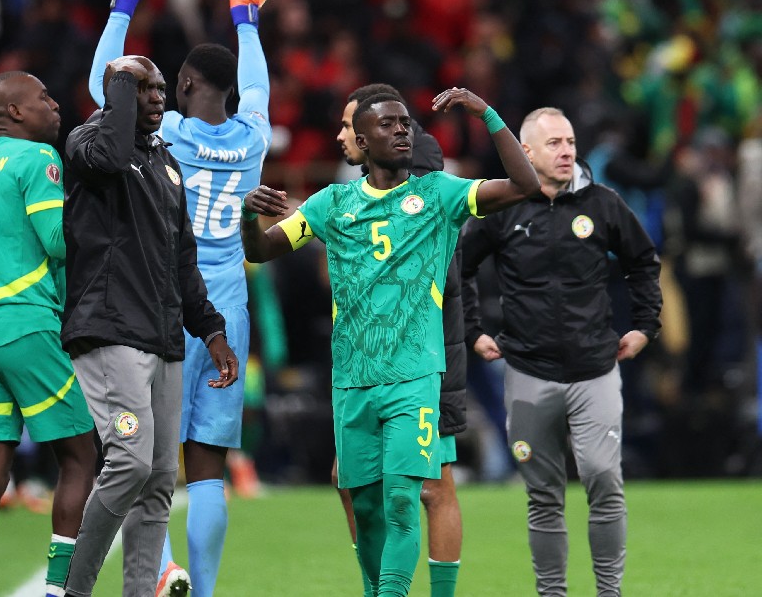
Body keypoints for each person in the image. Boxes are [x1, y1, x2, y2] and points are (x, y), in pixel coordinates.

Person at [240, 88, 539, 597]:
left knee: (404, 501)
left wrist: (486, 113)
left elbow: (524, 184)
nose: (402, 130)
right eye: (388, 124)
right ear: (361, 139)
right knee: (365, 506)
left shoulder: (440, 194)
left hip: (413, 378)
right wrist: (249, 215)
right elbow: (263, 250)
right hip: (352, 380)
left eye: (405, 123)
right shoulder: (332, 204)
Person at [85, 0, 274, 595]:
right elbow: (255, 87)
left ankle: (163, 565)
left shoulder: (168, 136)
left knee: (147, 453)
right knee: (209, 464)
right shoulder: (254, 139)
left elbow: (104, 86)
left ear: (185, 82)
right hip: (227, 303)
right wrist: (246, 16)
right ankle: (208, 586)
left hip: (164, 301)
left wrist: (123, 4)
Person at [460, 107, 662, 597]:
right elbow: (458, 266)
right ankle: (552, 593)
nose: (567, 150)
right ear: (525, 152)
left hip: (595, 369)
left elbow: (643, 261)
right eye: (554, 143)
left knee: (601, 478)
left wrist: (645, 326)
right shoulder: (503, 208)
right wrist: (472, 329)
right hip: (528, 372)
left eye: (570, 141)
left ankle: (609, 592)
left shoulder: (603, 203)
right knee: (543, 495)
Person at [61, 54, 239, 597]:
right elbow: (112, 155)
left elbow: (181, 256)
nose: (159, 97)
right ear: (117, 95)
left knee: (160, 480)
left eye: (161, 88)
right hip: (111, 330)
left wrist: (211, 329)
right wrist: (118, 81)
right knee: (130, 463)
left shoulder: (165, 162)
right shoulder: (88, 144)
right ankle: (72, 589)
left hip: (163, 339)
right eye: (143, 89)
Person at [0, 72, 97, 597]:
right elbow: (59, 241)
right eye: (44, 98)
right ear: (14, 111)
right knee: (82, 455)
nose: (55, 105)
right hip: (24, 322)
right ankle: (61, 587)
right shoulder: (38, 159)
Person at [329, 83, 467, 597]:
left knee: (432, 484)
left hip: (426, 347)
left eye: (347, 125)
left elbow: (444, 256)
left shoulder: (418, 165)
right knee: (359, 482)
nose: (342, 136)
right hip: (378, 357)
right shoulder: (352, 191)